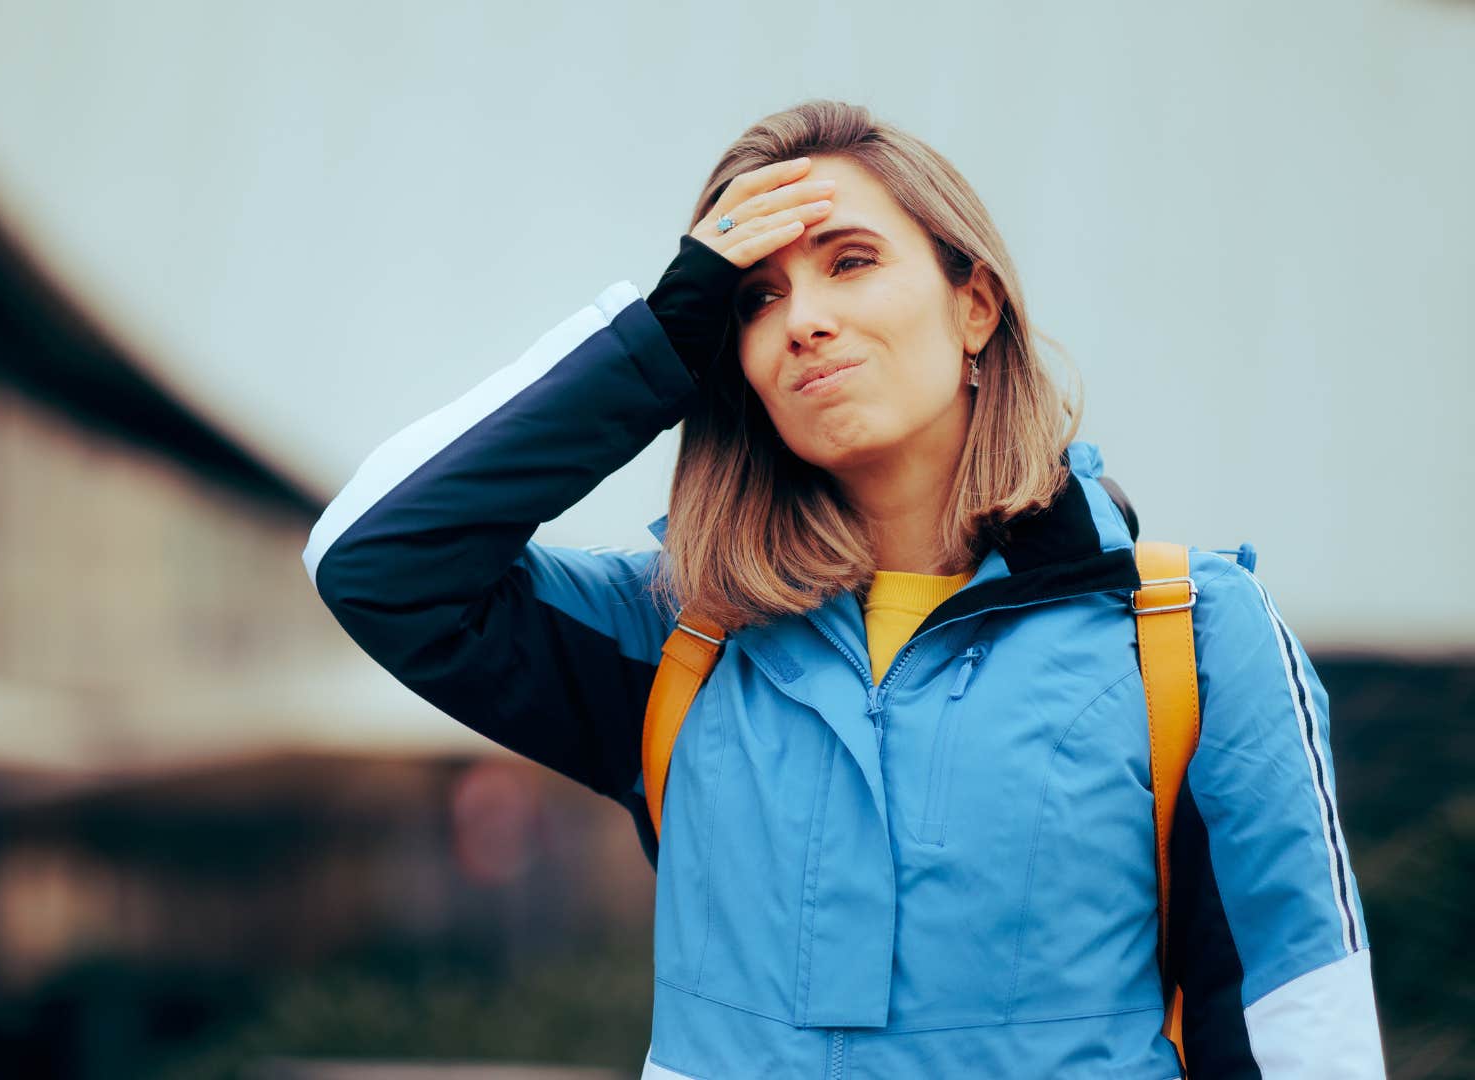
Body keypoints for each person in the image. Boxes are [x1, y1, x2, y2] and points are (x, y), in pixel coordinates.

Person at [303, 100, 1384, 1078]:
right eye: (753, 299)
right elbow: (376, 559)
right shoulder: (674, 638)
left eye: (851, 261)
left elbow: (1302, 1022)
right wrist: (660, 336)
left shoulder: (1190, 637)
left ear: (975, 305)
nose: (800, 320)